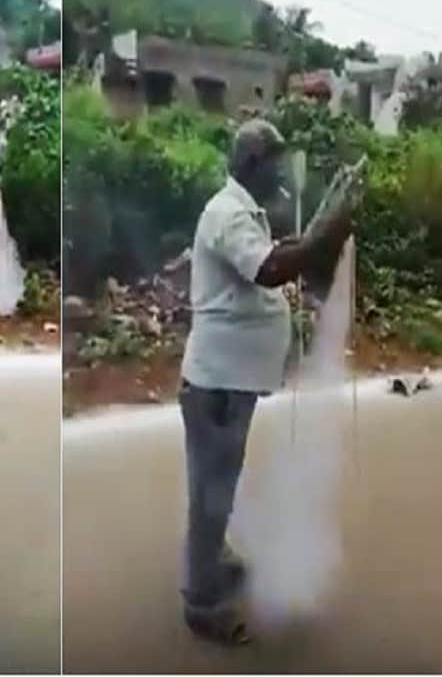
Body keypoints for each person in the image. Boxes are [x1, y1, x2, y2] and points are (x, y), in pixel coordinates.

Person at [178, 118, 354, 645]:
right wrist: (325, 233)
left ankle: (215, 558)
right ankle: (201, 602)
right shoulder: (227, 214)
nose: (280, 170)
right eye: (274, 160)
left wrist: (325, 225)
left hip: (232, 380)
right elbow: (271, 269)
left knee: (220, 480)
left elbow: (284, 249)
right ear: (253, 164)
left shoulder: (244, 211)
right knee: (210, 490)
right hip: (217, 382)